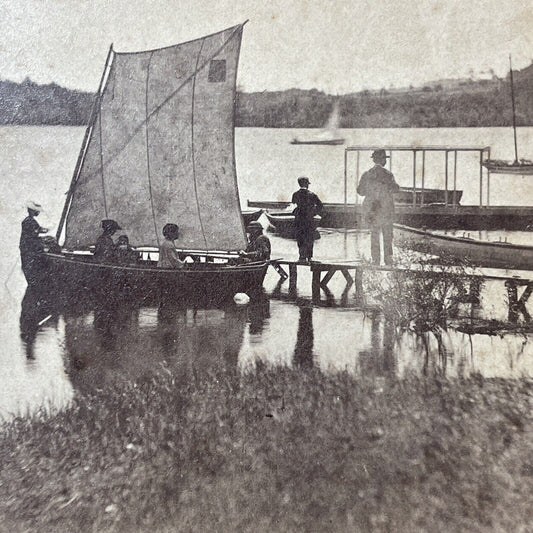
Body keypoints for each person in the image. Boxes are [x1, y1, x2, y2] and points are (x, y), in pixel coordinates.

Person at [357, 149, 400, 265]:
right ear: (381, 159)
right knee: (387, 236)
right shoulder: (388, 174)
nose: (385, 160)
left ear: (374, 160)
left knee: (374, 236)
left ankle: (376, 261)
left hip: (372, 210)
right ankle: (388, 261)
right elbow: (396, 188)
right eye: (384, 158)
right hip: (386, 210)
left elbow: (360, 191)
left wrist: (371, 192)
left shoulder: (367, 174)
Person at [291, 176, 323, 262]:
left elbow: (293, 206)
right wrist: (314, 212)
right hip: (309, 220)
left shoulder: (295, 194)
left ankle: (301, 257)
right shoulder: (312, 195)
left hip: (299, 220)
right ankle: (310, 257)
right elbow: (320, 206)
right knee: (309, 238)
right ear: (307, 184)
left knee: (300, 238)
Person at [19, 200, 48, 283]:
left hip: (26, 247)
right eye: (37, 211)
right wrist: (45, 230)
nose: (38, 213)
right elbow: (36, 231)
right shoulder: (29, 221)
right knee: (30, 267)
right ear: (32, 211)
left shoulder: (28, 220)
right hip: (29, 247)